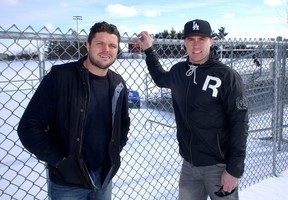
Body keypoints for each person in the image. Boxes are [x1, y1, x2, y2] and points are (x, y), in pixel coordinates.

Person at [135, 19, 249, 200]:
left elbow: (239, 123)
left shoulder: (226, 76)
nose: (195, 45)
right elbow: (159, 78)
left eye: (201, 39)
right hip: (189, 165)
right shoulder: (180, 71)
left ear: (211, 41)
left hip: (219, 166)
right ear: (184, 42)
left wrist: (234, 170)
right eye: (190, 39)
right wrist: (149, 50)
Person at [17, 21, 130, 200]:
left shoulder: (117, 83)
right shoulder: (60, 77)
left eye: (112, 45)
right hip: (67, 183)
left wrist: (116, 149)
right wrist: (61, 161)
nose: (106, 50)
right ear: (88, 45)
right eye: (100, 43)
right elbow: (29, 128)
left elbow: (123, 122)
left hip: (104, 177)